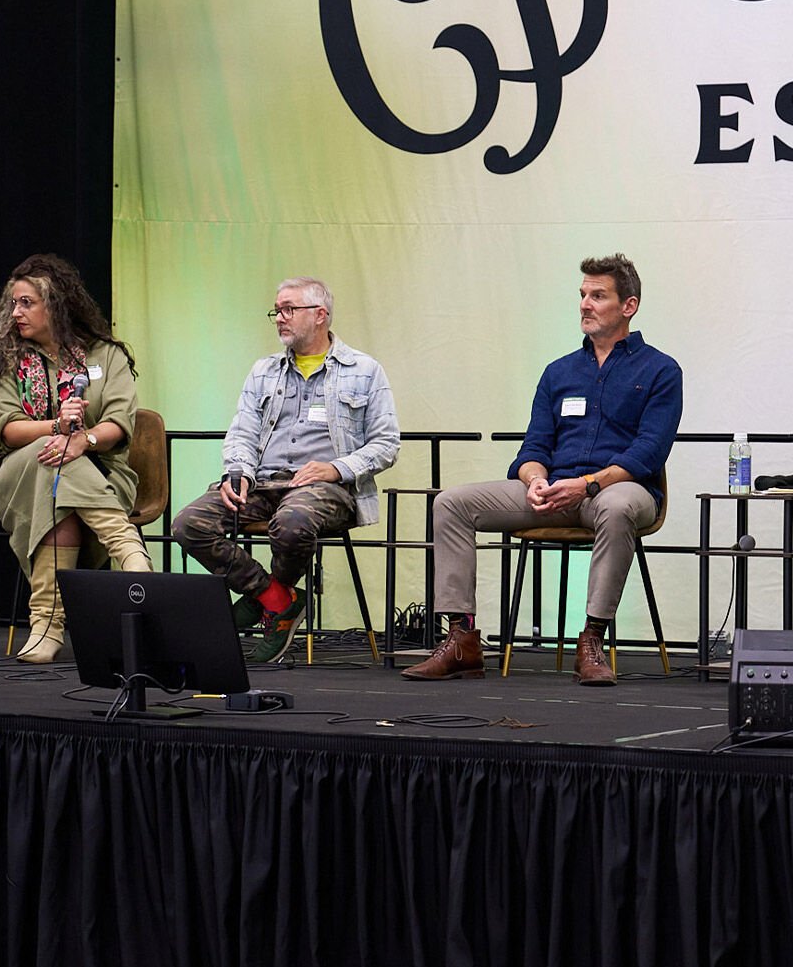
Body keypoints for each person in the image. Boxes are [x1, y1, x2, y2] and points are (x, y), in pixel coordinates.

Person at [402, 253, 682, 687]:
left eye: (598, 296)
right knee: (451, 502)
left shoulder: (661, 370)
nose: (585, 304)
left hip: (618, 491)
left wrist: (586, 485)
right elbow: (533, 447)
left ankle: (591, 640)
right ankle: (461, 639)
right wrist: (535, 481)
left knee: (617, 505)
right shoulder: (560, 372)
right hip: (554, 491)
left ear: (629, 306)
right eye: (583, 295)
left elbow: (648, 453)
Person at [172, 278, 399, 664]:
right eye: (277, 310)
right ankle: (275, 598)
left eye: (288, 309)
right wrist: (238, 472)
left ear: (320, 315)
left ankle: (275, 599)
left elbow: (386, 443)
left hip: (326, 489)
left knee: (292, 522)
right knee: (188, 523)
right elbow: (241, 432)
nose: (279, 318)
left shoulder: (364, 370)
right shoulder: (264, 370)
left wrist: (335, 468)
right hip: (263, 482)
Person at [0, 254, 152, 663]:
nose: (16, 313)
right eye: (14, 304)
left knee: (58, 478)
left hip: (103, 470)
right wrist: (58, 429)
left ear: (56, 304)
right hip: (17, 473)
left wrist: (84, 440)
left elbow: (119, 422)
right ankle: (131, 555)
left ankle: (46, 624)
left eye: (27, 303)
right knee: (51, 459)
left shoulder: (105, 355)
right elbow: (5, 429)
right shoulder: (9, 358)